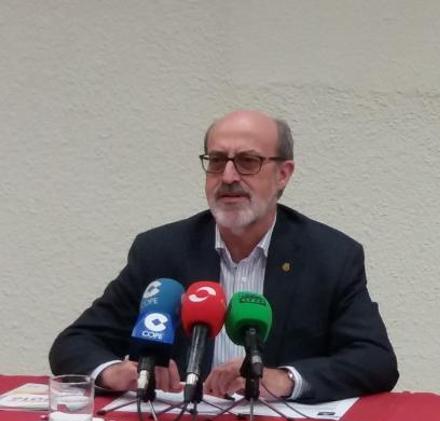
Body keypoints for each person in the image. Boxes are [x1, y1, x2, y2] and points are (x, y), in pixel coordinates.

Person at [49, 110, 398, 403]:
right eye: (217, 162)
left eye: (248, 162)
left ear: (283, 174)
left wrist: (284, 379)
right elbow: (75, 343)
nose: (228, 177)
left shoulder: (331, 256)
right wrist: (116, 372)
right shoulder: (160, 250)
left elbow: (374, 360)